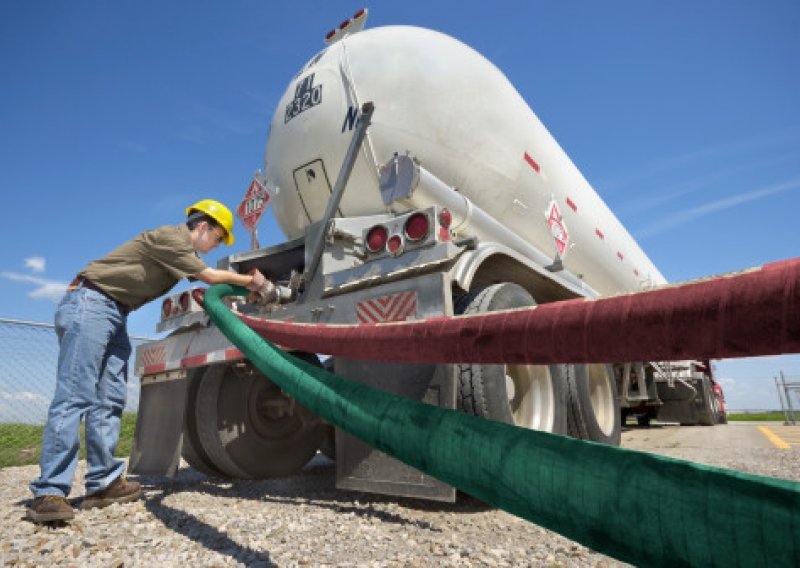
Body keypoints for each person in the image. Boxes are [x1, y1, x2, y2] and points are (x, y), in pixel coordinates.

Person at [27, 199, 273, 523]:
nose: (214, 246)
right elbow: (210, 277)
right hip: (91, 302)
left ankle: (103, 484)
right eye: (217, 238)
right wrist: (252, 281)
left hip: (115, 311)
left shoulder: (179, 253)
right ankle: (49, 493)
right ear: (202, 226)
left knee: (109, 400)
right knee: (76, 395)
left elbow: (208, 281)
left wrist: (244, 295)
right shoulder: (170, 238)